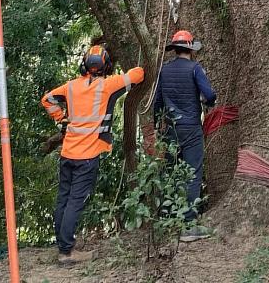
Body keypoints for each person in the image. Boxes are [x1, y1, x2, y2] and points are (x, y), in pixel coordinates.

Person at [42, 45, 144, 265]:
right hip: (87, 157)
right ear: (105, 65)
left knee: (63, 199)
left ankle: (62, 245)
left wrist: (60, 118)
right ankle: (66, 252)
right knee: (75, 202)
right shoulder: (108, 86)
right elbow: (139, 74)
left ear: (84, 65)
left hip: (67, 153)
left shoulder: (70, 87)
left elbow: (47, 99)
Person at [153, 30, 216, 242]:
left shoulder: (165, 70)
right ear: (190, 49)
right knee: (192, 174)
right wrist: (210, 103)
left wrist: (157, 127)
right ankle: (188, 226)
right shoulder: (195, 68)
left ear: (175, 49)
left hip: (169, 128)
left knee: (171, 173)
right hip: (190, 128)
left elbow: (158, 103)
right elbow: (209, 95)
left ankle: (169, 220)